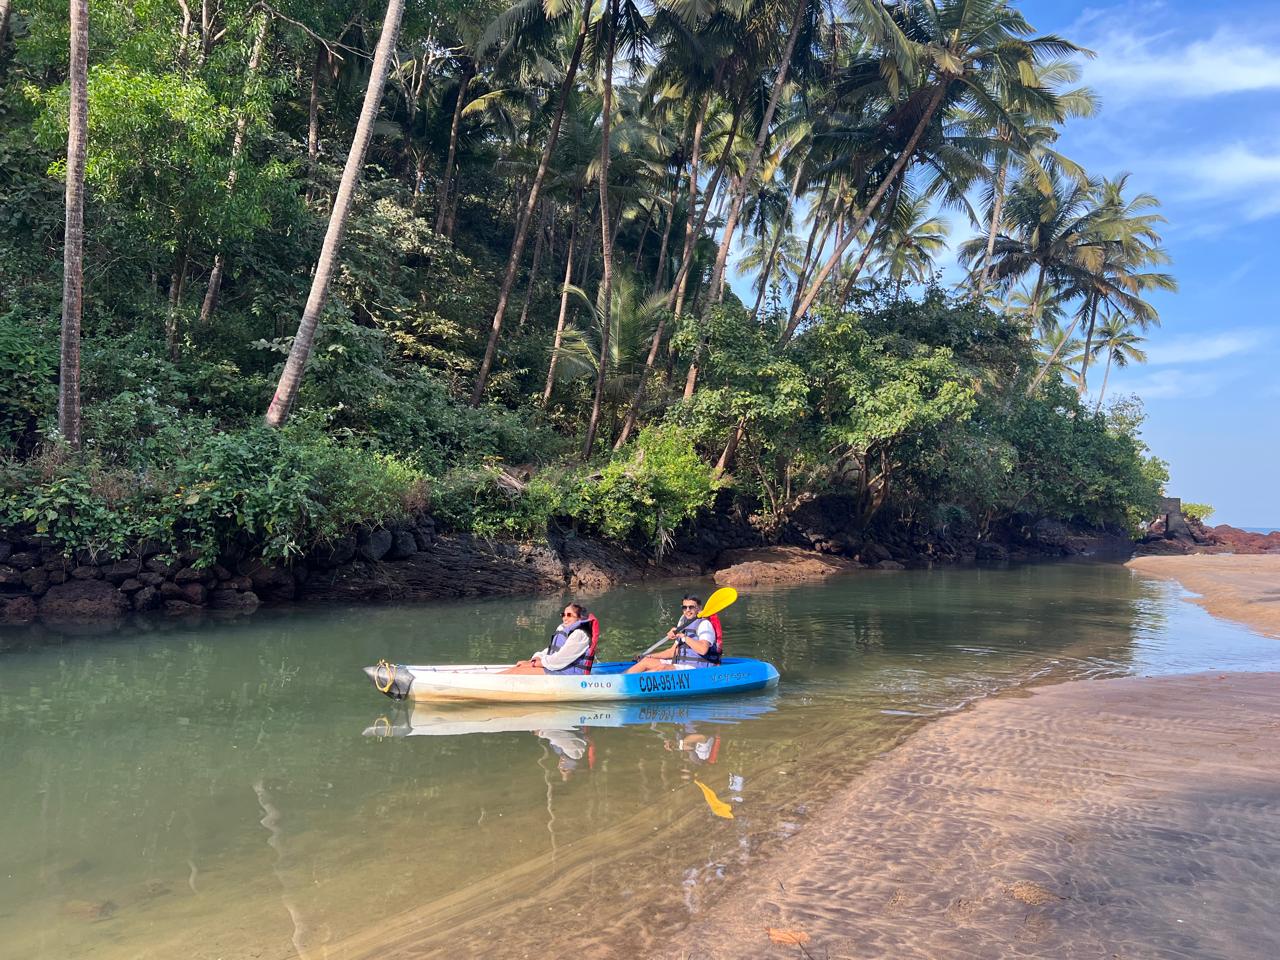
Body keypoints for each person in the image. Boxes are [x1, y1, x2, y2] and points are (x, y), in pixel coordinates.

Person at [625, 594, 722, 673]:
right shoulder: (683, 622)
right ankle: (619, 680)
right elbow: (672, 652)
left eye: (691, 607)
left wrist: (682, 636)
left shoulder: (704, 624)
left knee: (662, 668)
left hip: (697, 668)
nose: (687, 610)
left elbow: (703, 650)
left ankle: (633, 685)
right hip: (681, 664)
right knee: (645, 662)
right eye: (684, 607)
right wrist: (648, 656)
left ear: (699, 608)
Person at [504, 602, 600, 675]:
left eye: (569, 615)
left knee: (518, 672)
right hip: (557, 668)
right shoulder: (563, 628)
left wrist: (533, 664)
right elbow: (552, 650)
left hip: (570, 675)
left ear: (580, 617)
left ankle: (490, 684)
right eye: (563, 615)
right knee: (518, 668)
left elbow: (560, 660)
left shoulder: (580, 634)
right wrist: (537, 657)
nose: (565, 618)